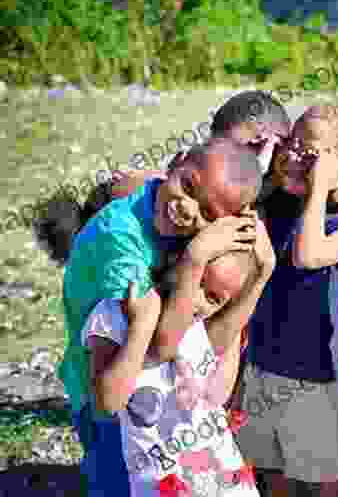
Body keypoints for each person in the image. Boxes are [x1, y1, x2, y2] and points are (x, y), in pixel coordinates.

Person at [44, 137, 264, 497]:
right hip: (105, 394)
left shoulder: (178, 230)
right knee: (116, 482)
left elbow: (205, 341)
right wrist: (195, 258)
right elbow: (159, 345)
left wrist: (261, 269)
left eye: (208, 214)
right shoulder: (121, 242)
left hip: (155, 395)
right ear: (176, 162)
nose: (187, 209)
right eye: (188, 186)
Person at [234, 104, 338, 497]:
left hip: (313, 377)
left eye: (308, 152)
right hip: (260, 365)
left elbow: (308, 255)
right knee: (271, 473)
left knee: (325, 483)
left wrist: (321, 190)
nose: (293, 154)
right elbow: (234, 203)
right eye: (291, 142)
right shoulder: (276, 203)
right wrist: (262, 166)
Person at [82, 226, 274, 497]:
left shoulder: (207, 327)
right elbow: (106, 403)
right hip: (163, 485)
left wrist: (262, 274)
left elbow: (217, 396)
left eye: (212, 298)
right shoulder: (118, 313)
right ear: (176, 259)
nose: (197, 299)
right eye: (197, 278)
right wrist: (140, 327)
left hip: (224, 479)